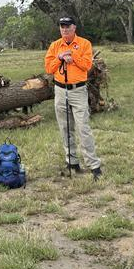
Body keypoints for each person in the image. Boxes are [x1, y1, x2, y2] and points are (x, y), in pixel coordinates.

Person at [44, 16, 102, 179]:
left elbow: (87, 65)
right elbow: (49, 68)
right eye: (62, 27)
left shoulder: (84, 44)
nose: (64, 30)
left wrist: (72, 56)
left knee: (83, 127)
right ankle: (72, 161)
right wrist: (60, 57)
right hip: (60, 90)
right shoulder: (55, 46)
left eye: (68, 27)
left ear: (74, 28)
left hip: (78, 90)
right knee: (65, 127)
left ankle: (94, 165)